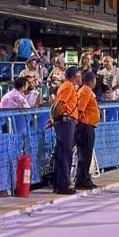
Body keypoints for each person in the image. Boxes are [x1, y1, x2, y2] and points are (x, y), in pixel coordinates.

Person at [44, 65, 81, 195]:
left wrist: (53, 119)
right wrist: (54, 119)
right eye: (79, 74)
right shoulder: (68, 87)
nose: (81, 76)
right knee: (65, 154)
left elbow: (55, 105)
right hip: (66, 122)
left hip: (64, 121)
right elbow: (58, 105)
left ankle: (58, 184)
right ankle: (64, 185)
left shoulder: (65, 86)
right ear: (74, 76)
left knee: (61, 153)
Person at [74, 70, 100, 190]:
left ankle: (84, 178)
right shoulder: (85, 91)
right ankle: (82, 179)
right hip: (85, 126)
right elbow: (79, 109)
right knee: (85, 154)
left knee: (86, 154)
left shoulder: (87, 91)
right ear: (91, 81)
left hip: (87, 126)